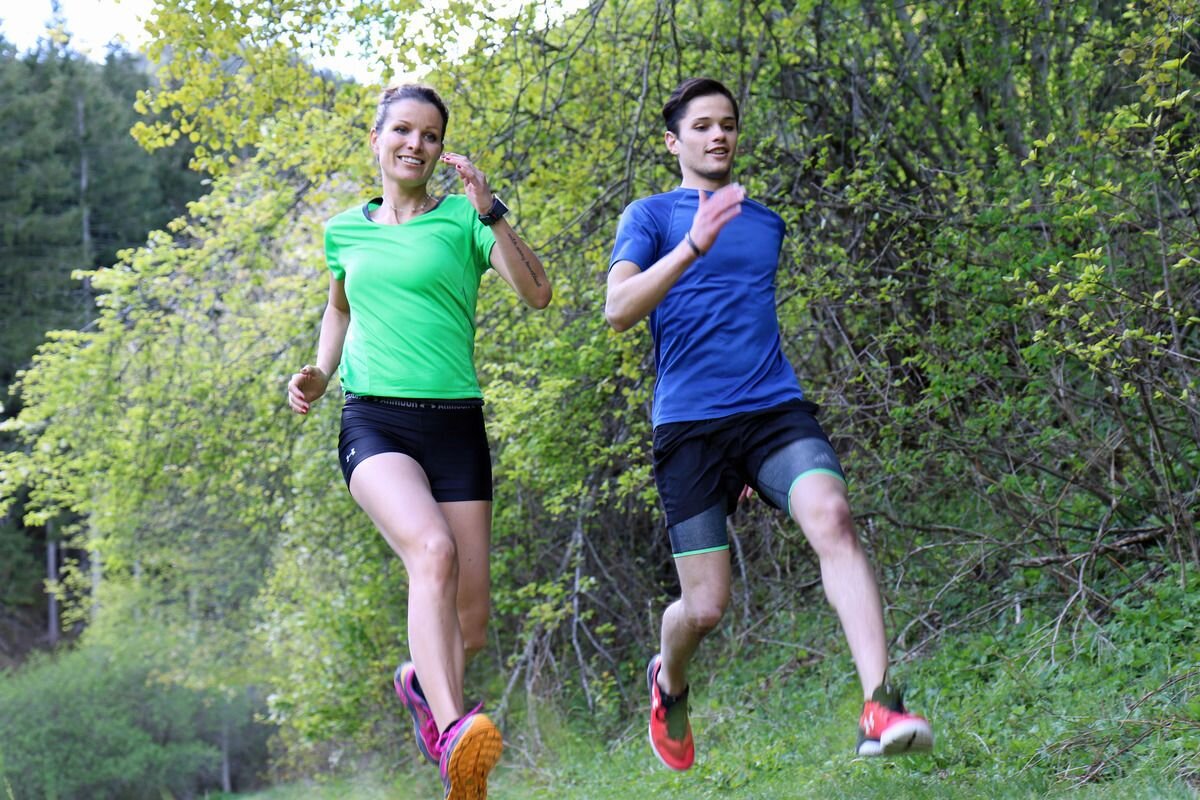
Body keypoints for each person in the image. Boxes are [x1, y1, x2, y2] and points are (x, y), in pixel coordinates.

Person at [604, 77, 932, 771]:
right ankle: (668, 681)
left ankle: (880, 704)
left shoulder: (765, 222)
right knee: (704, 609)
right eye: (701, 125)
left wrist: (754, 465)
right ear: (673, 142)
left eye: (727, 123)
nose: (718, 134)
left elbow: (742, 320)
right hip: (690, 429)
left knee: (833, 517)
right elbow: (619, 309)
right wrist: (691, 246)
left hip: (771, 414)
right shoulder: (651, 215)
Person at [287, 84, 551, 800]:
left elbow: (538, 294)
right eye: (402, 130)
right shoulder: (345, 230)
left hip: (456, 423)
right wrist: (321, 372)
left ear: (441, 149)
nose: (416, 144)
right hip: (375, 421)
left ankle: (420, 686)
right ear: (376, 139)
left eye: (430, 135)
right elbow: (339, 306)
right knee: (431, 552)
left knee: (469, 626)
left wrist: (491, 210)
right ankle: (454, 733)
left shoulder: (465, 219)